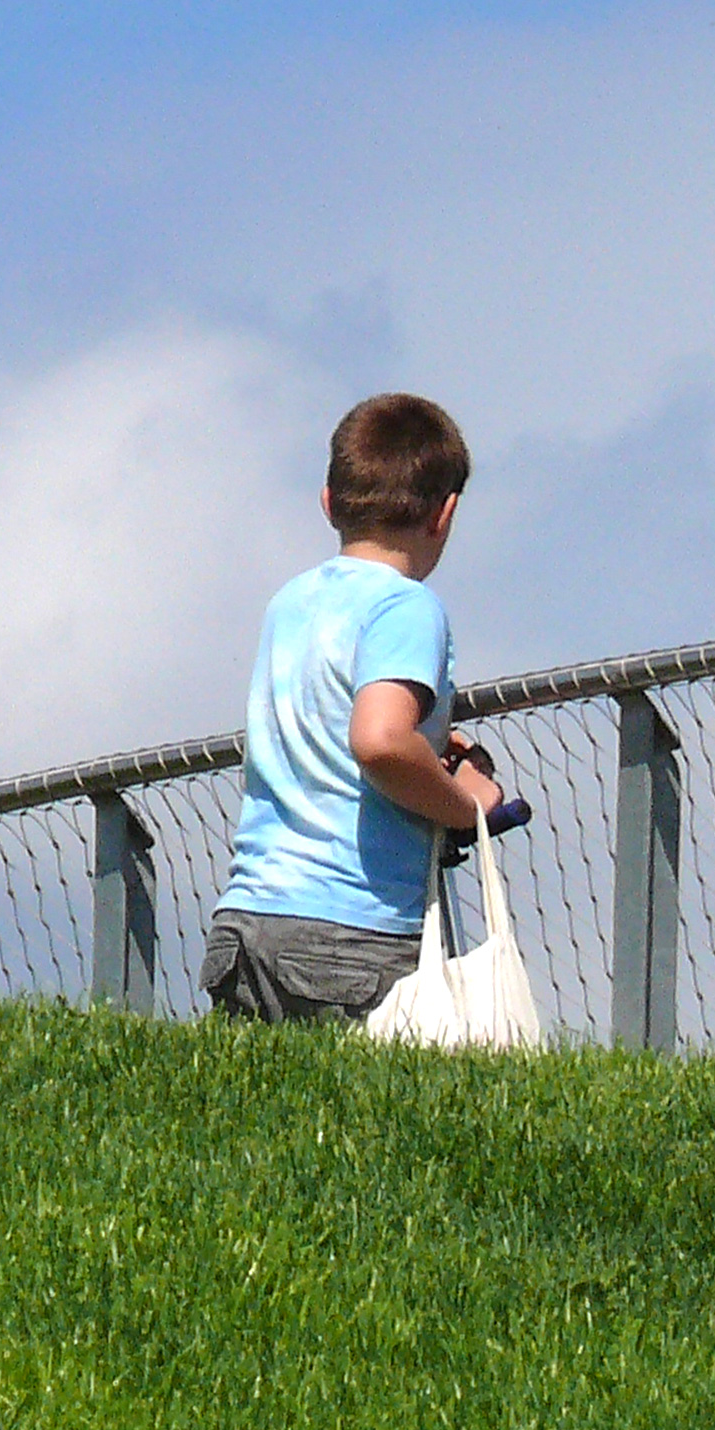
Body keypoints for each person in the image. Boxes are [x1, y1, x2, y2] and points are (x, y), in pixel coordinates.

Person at [202, 393, 504, 1023]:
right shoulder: (406, 607)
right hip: (352, 934)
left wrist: (426, 744)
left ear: (329, 502)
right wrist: (465, 804)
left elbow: (333, 716)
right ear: (444, 513)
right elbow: (381, 741)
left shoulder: (292, 602)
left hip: (248, 922)